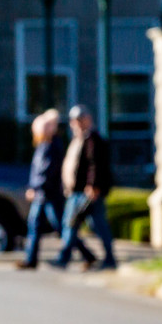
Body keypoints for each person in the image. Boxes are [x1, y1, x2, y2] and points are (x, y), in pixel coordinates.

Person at [52, 104, 118, 271]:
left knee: (96, 225)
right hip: (74, 192)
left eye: (80, 120)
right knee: (70, 225)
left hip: (87, 192)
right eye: (74, 121)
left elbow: (95, 165)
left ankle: (109, 258)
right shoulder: (77, 139)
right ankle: (65, 258)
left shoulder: (93, 139)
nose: (76, 124)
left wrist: (93, 186)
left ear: (88, 119)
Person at [15, 108, 69, 270]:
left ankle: (87, 254)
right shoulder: (43, 145)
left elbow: (47, 172)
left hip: (49, 194)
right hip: (41, 193)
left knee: (61, 226)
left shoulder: (52, 146)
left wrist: (35, 187)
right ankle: (30, 259)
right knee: (34, 226)